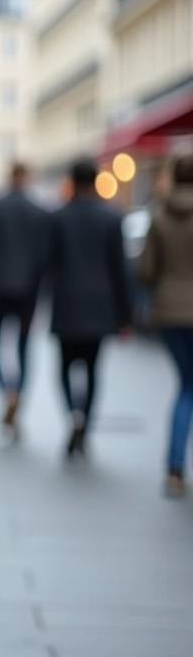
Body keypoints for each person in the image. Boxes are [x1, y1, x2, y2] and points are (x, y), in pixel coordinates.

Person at [46, 158, 132, 458]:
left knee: (64, 368)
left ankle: (74, 414)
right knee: (93, 368)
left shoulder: (57, 217)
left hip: (67, 301)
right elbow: (120, 269)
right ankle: (86, 422)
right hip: (100, 303)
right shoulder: (110, 217)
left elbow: (47, 264)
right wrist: (126, 315)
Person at [0, 162, 51, 437]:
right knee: (23, 350)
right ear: (27, 177)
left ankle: (7, 392)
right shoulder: (39, 212)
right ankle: (17, 395)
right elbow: (44, 258)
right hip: (27, 292)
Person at [136, 153, 193, 496]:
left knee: (185, 386)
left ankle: (174, 467)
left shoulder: (158, 215)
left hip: (169, 312)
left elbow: (145, 270)